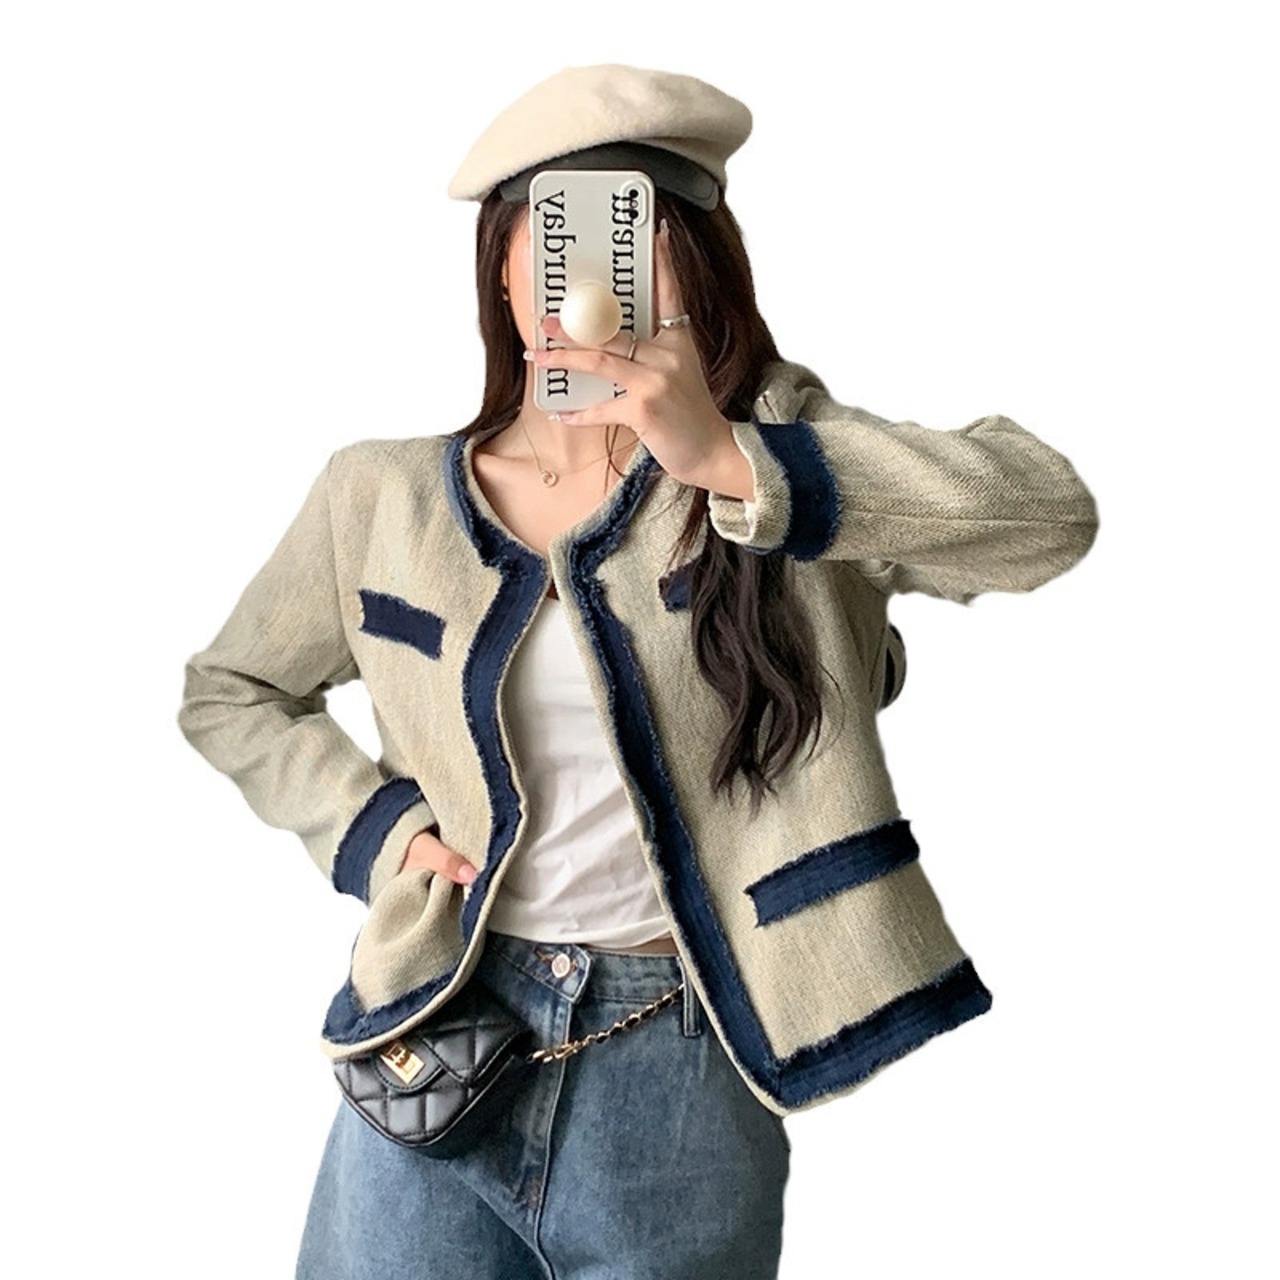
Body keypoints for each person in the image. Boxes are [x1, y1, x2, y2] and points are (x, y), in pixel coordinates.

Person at [178, 64, 1098, 1280]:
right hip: (441, 1030)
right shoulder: (379, 496)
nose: (580, 279)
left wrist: (733, 460)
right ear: (500, 266)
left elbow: (1048, 517)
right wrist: (379, 830)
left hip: (682, 1063)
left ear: (688, 268)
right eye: (549, 232)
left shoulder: (778, 464)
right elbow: (231, 688)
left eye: (623, 233)